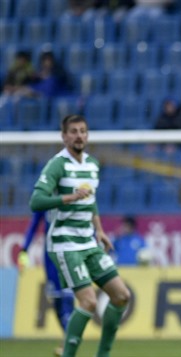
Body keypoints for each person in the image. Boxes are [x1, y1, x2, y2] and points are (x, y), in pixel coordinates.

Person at [29, 114, 130, 357]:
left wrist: (100, 230)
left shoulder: (92, 165)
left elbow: (91, 201)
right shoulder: (57, 165)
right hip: (64, 242)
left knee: (121, 296)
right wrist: (67, 197)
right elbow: (36, 201)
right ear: (64, 136)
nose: (79, 136)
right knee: (89, 302)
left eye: (83, 131)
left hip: (89, 241)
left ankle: (102, 354)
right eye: (73, 131)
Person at [18, 210, 74, 357]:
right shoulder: (44, 197)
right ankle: (69, 338)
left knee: (68, 300)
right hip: (50, 257)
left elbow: (86, 219)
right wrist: (24, 250)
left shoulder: (72, 192)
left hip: (70, 253)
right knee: (56, 301)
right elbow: (34, 224)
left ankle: (68, 343)